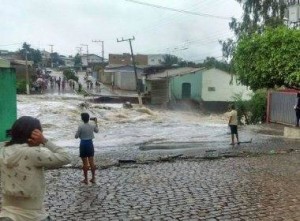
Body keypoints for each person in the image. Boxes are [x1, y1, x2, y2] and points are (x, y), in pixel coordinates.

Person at [0, 116, 71, 221]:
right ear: (35, 135)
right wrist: (44, 141)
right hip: (33, 215)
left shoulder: (2, 151)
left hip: (7, 214)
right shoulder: (34, 153)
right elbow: (66, 157)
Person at [75, 113, 99, 184]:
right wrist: (96, 123)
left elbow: (76, 136)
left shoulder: (80, 126)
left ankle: (86, 179)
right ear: (88, 118)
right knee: (91, 162)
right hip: (90, 144)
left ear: (82, 119)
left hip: (83, 144)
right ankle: (93, 178)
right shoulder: (92, 125)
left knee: (85, 163)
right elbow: (97, 131)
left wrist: (78, 132)